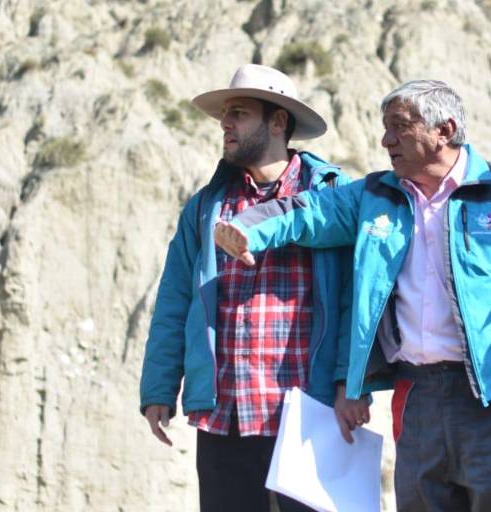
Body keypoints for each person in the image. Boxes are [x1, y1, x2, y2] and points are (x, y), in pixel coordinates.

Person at [215, 79, 491, 512]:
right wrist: (248, 228)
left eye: (399, 126)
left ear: (443, 130)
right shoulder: (374, 196)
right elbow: (305, 213)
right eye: (385, 127)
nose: (386, 140)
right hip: (417, 398)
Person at [138, 63, 364, 512]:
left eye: (238, 113)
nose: (225, 123)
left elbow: (354, 304)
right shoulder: (206, 207)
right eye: (226, 114)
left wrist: (349, 383)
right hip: (227, 414)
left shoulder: (331, 196)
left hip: (309, 413)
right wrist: (159, 387)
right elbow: (175, 299)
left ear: (278, 121)